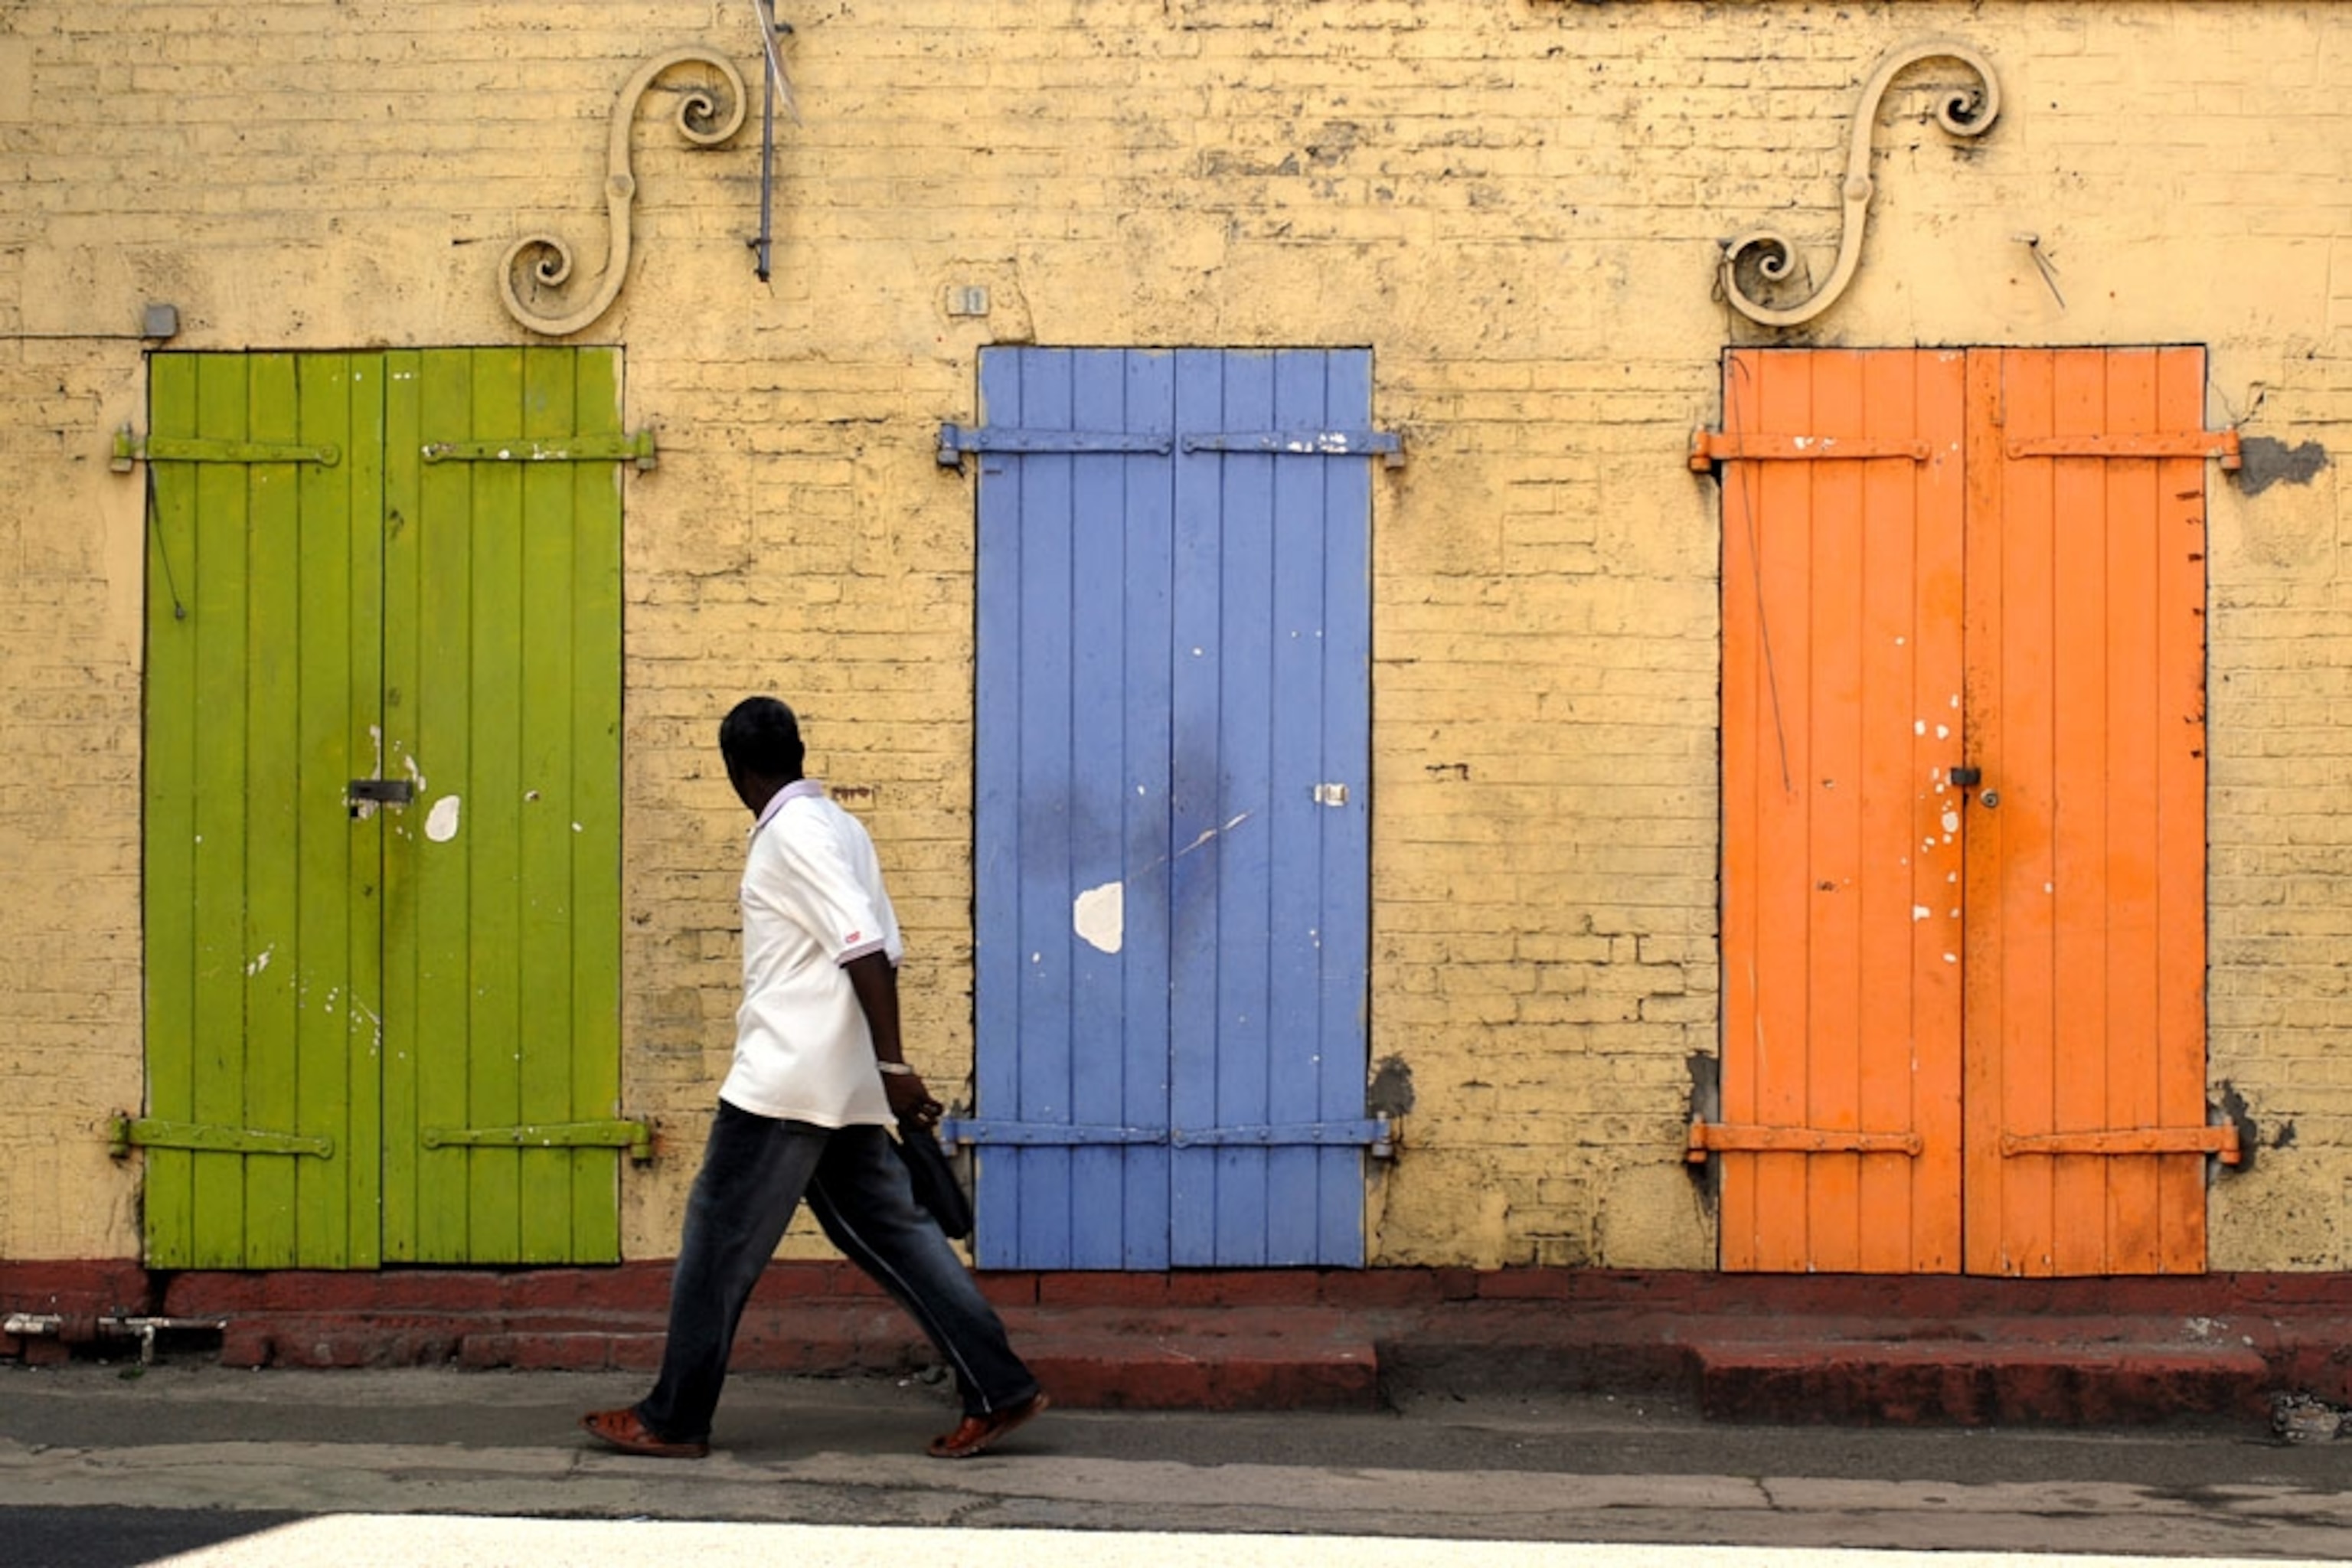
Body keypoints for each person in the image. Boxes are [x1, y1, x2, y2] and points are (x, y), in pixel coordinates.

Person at [582, 696, 1047, 1461]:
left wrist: (895, 1064)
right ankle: (1000, 1386)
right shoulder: (839, 825)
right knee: (896, 1235)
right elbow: (875, 941)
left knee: (715, 1243)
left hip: (785, 1081)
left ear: (737, 769)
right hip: (837, 1077)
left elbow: (863, 945)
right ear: (796, 750)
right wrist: (877, 1066)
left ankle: (673, 1416)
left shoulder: (793, 831)